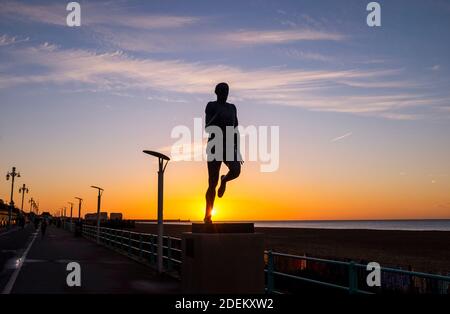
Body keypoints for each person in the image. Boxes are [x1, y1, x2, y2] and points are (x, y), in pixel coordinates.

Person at [204, 83, 243, 223]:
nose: (225, 93)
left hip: (228, 145)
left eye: (227, 90)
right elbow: (207, 127)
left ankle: (224, 180)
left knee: (236, 170)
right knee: (212, 183)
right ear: (216, 92)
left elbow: (235, 129)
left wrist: (237, 150)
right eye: (222, 90)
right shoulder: (211, 106)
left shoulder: (232, 108)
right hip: (214, 144)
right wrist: (216, 116)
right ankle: (208, 215)